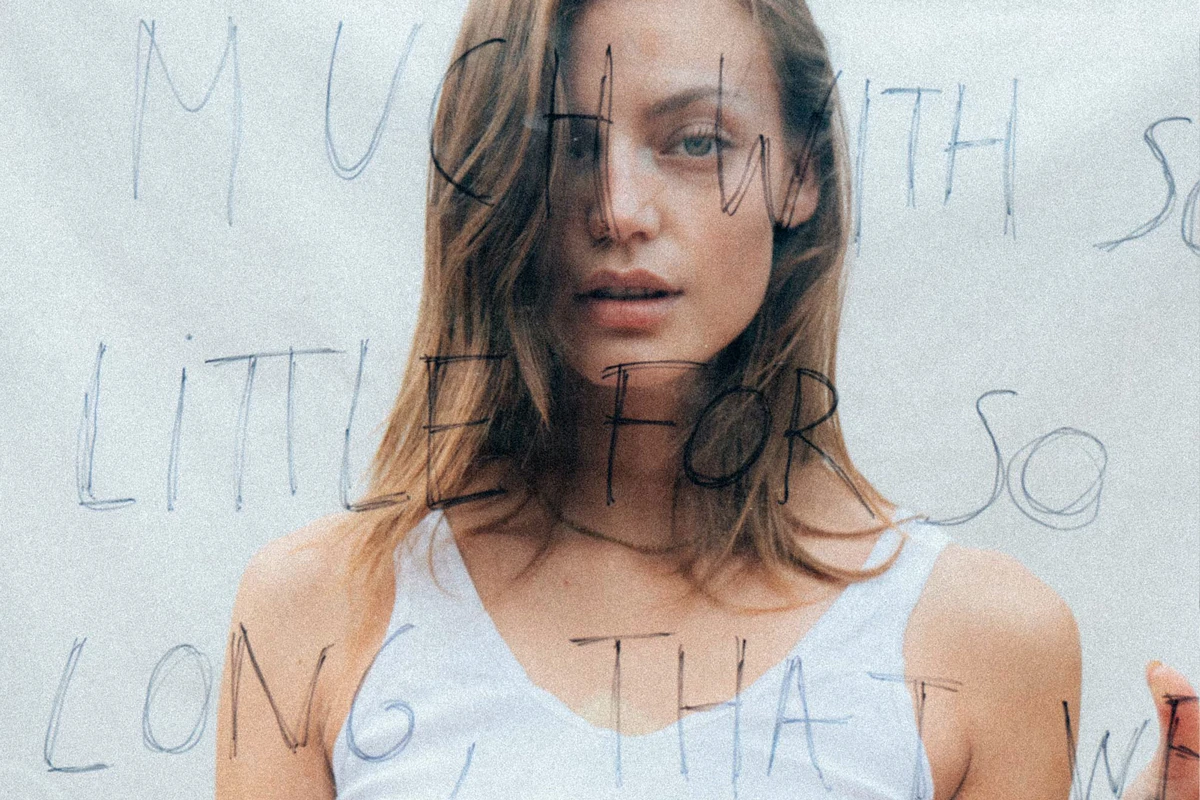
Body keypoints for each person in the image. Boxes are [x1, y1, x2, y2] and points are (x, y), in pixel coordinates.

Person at [215, 0, 1198, 797]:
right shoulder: (319, 611)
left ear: (800, 172)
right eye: (565, 147)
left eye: (693, 142)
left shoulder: (983, 640)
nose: (618, 210)